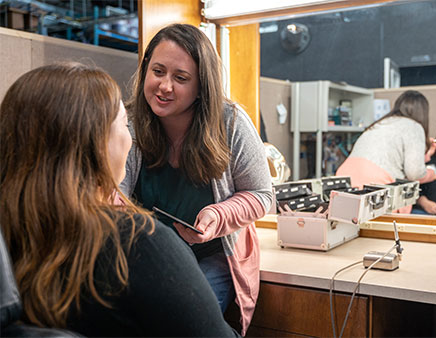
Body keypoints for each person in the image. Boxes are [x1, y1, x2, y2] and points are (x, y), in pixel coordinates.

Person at [1, 62, 235, 337]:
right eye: (125, 124)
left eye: (181, 77)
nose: (131, 138)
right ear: (97, 144)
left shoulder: (9, 233)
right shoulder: (141, 244)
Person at [120, 23, 276, 334]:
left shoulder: (230, 123)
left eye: (180, 78)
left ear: (202, 85)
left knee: (182, 325)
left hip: (212, 255)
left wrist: (218, 215)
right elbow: (113, 198)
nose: (165, 86)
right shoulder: (130, 122)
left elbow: (262, 195)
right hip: (145, 256)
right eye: (158, 71)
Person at [338, 90, 436, 190]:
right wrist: (431, 174)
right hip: (375, 182)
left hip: (344, 176)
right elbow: (414, 173)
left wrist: (425, 155)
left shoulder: (381, 122)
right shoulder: (414, 126)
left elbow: (385, 156)